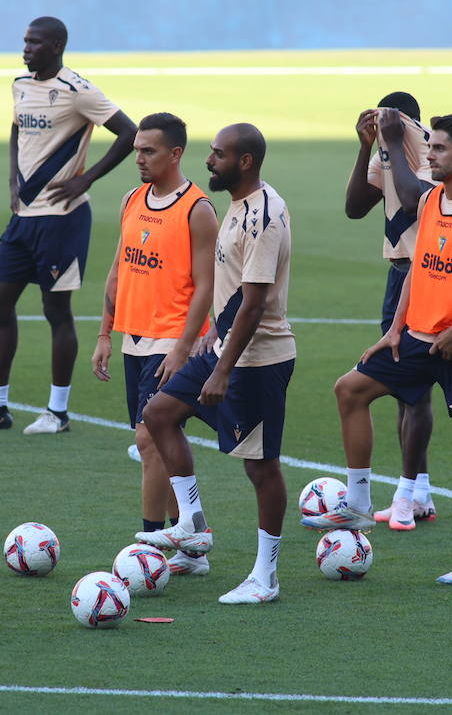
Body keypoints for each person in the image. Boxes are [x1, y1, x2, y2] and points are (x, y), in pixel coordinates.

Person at [303, 114, 452, 585]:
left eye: (438, 149)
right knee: (350, 389)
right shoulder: (432, 199)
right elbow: (419, 268)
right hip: (419, 337)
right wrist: (396, 328)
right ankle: (357, 505)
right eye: (430, 146)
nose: (430, 155)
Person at [0, 16, 136, 435]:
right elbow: (16, 129)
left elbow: (128, 132)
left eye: (34, 42)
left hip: (62, 219)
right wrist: (13, 177)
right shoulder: (20, 84)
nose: (26, 48)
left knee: (56, 310)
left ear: (57, 46)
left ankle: (58, 412)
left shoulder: (78, 91)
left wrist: (87, 178)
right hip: (23, 218)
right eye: (25, 41)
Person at [135, 124, 296, 605]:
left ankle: (265, 577)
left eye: (218, 155)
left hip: (258, 360)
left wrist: (223, 368)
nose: (209, 161)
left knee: (261, 469)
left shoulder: (265, 216)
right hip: (223, 347)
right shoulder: (237, 206)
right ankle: (192, 524)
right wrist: (211, 338)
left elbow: (254, 303)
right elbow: (232, 289)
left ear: (245, 162)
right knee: (159, 414)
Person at [91, 112, 218, 576]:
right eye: (136, 149)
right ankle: (189, 546)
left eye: (148, 151)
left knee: (149, 438)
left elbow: (206, 286)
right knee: (157, 444)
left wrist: (185, 346)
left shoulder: (198, 210)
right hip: (134, 338)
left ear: (175, 153)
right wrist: (106, 332)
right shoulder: (132, 199)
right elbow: (120, 268)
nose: (138, 158)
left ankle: (148, 550)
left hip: (172, 338)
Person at [343, 92, 437, 530]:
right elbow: (355, 208)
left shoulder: (430, 151)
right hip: (398, 273)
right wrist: (366, 148)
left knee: (414, 386)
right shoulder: (390, 149)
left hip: (427, 277)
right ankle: (418, 492)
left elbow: (415, 197)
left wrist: (397, 143)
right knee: (407, 387)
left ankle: (407, 494)